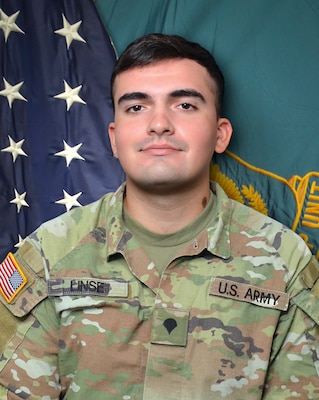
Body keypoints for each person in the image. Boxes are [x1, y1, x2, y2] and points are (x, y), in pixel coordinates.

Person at [0, 33, 318, 400]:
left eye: (184, 105)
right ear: (114, 139)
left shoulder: (286, 262)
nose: (159, 124)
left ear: (220, 134)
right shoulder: (49, 254)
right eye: (137, 107)